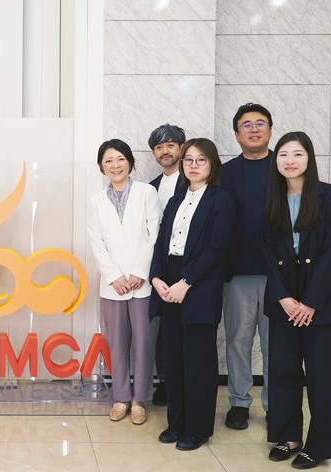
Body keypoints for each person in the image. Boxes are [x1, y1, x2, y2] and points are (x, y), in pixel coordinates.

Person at [262, 132, 331, 470]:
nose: (289, 161)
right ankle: (288, 436)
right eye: (283, 154)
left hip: (323, 302)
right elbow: (267, 251)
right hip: (285, 299)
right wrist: (283, 296)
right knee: (283, 371)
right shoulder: (272, 198)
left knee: (321, 377)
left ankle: (318, 446)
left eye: (297, 154)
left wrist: (311, 302)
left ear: (309, 158)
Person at [149, 138, 234, 451]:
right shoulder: (175, 199)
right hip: (169, 279)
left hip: (200, 283)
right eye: (188, 160)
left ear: (212, 164)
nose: (193, 165)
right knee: (173, 358)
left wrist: (186, 282)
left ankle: (197, 429)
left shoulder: (221, 200)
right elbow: (162, 242)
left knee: (197, 361)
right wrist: (156, 278)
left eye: (201, 160)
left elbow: (217, 247)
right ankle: (176, 423)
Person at [87, 139, 161, 425]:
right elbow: (97, 241)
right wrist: (114, 276)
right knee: (116, 343)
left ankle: (139, 399)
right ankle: (120, 397)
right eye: (108, 161)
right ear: (101, 167)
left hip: (142, 283)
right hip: (113, 285)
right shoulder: (96, 201)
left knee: (144, 342)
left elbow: (154, 234)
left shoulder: (147, 192)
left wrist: (139, 272)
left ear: (130, 162)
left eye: (120, 159)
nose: (115, 165)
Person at [220, 102, 274, 430]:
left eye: (260, 123)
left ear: (270, 130)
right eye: (246, 125)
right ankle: (239, 402)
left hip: (278, 276)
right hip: (236, 273)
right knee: (237, 341)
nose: (253, 129)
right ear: (237, 135)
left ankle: (275, 406)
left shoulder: (284, 168)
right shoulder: (224, 173)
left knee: (275, 346)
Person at [147, 123, 187, 406]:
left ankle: (185, 383)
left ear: (181, 148)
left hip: (186, 267)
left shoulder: (193, 182)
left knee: (187, 328)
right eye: (159, 147)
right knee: (161, 329)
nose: (165, 151)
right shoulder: (150, 188)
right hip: (159, 266)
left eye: (170, 145)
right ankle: (165, 382)